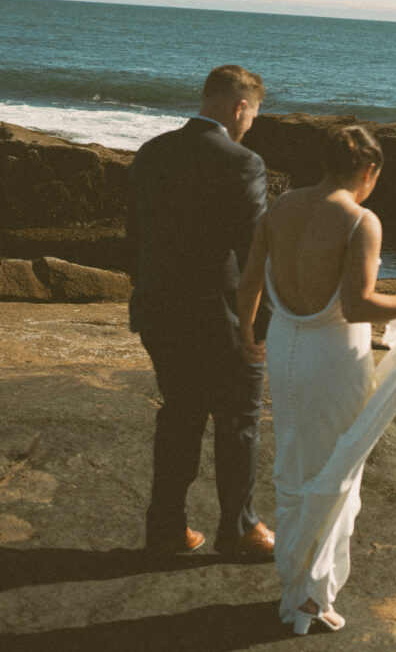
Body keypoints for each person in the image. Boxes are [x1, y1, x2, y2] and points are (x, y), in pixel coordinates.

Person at [236, 125, 396, 634]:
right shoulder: (361, 220)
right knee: (337, 470)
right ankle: (310, 597)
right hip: (333, 358)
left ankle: (297, 583)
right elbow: (359, 305)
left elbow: (249, 280)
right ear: (370, 170)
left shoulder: (280, 208)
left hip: (285, 348)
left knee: (294, 461)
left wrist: (247, 332)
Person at [127, 64, 275, 556]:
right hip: (220, 317)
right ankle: (239, 529)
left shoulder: (152, 152)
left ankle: (167, 528)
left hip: (159, 309)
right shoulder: (244, 163)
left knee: (180, 415)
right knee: (239, 420)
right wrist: (259, 327)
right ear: (240, 107)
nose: (251, 123)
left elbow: (134, 235)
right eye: (253, 113)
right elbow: (254, 254)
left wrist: (147, 291)